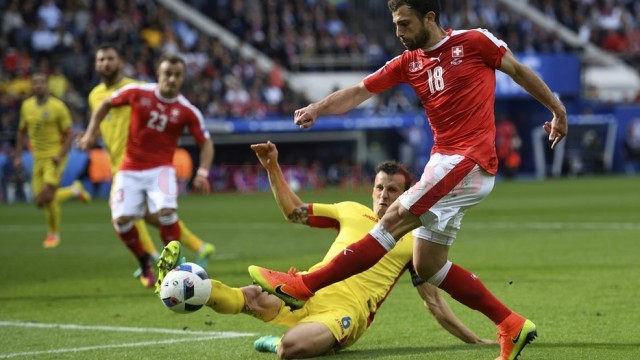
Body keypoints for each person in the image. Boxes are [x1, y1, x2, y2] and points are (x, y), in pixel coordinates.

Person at [248, 2, 569, 360]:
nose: (399, 33)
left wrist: (557, 109)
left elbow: (519, 71)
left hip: (469, 160)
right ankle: (511, 324)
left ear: (429, 17)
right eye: (395, 25)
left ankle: (304, 286)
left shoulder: (475, 42)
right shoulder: (407, 62)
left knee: (391, 221)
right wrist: (316, 109)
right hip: (443, 162)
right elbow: (359, 91)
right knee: (428, 265)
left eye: (405, 24)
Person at [157, 141, 494, 359]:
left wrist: (473, 339)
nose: (384, 195)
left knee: (291, 348)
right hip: (304, 289)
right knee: (246, 296)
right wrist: (272, 167)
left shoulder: (413, 236)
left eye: (393, 190)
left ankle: (278, 343)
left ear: (407, 194)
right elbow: (294, 212)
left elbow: (434, 301)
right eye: (379, 187)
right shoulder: (349, 209)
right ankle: (187, 286)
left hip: (344, 314)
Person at [79, 53, 214, 290]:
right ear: (158, 75)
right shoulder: (138, 93)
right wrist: (91, 133)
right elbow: (105, 103)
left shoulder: (187, 110)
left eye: (177, 75)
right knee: (121, 221)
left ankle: (170, 268)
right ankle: (144, 261)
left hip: (161, 170)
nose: (171, 79)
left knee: (166, 212)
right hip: (129, 168)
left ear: (183, 78)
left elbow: (206, 142)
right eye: (167, 74)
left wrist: (202, 172)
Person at [14, 70, 91, 248]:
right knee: (39, 201)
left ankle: (53, 234)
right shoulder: (26, 106)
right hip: (37, 157)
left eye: (42, 82)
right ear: (32, 86)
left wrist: (60, 154)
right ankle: (74, 191)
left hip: (55, 157)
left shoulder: (58, 107)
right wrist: (18, 155)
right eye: (36, 82)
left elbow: (69, 133)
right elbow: (21, 131)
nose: (39, 85)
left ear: (47, 85)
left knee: (47, 197)